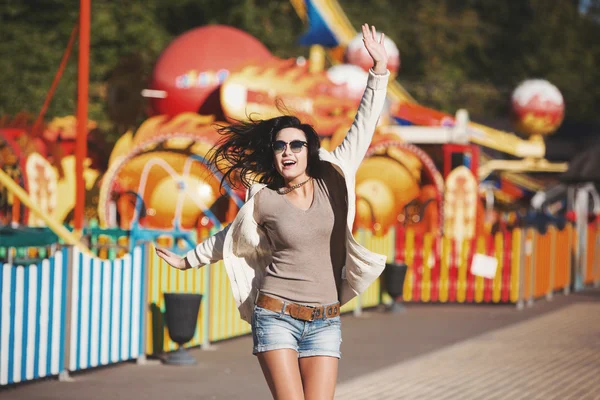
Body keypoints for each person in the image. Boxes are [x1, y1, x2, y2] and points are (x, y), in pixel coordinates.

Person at [156, 23, 390, 400]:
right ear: (274, 155)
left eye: (297, 145)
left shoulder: (335, 176)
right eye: (281, 146)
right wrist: (188, 261)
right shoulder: (264, 198)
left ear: (308, 150)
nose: (288, 152)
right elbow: (232, 239)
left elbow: (364, 124)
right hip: (276, 315)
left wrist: (378, 71)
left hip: (325, 320)